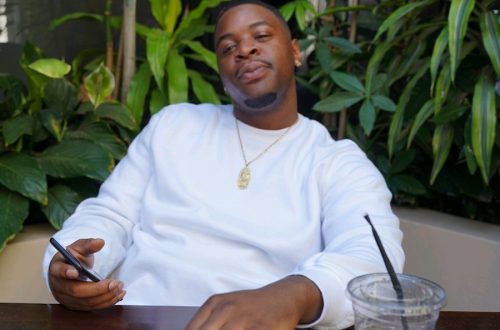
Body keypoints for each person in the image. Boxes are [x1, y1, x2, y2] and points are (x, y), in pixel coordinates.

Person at [43, 1, 405, 329]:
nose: (244, 49)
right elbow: (111, 213)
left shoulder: (338, 162)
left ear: (295, 52)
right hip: (134, 317)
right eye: (228, 47)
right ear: (221, 71)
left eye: (261, 35)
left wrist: (296, 295)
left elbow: (373, 261)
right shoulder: (174, 126)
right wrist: (77, 265)